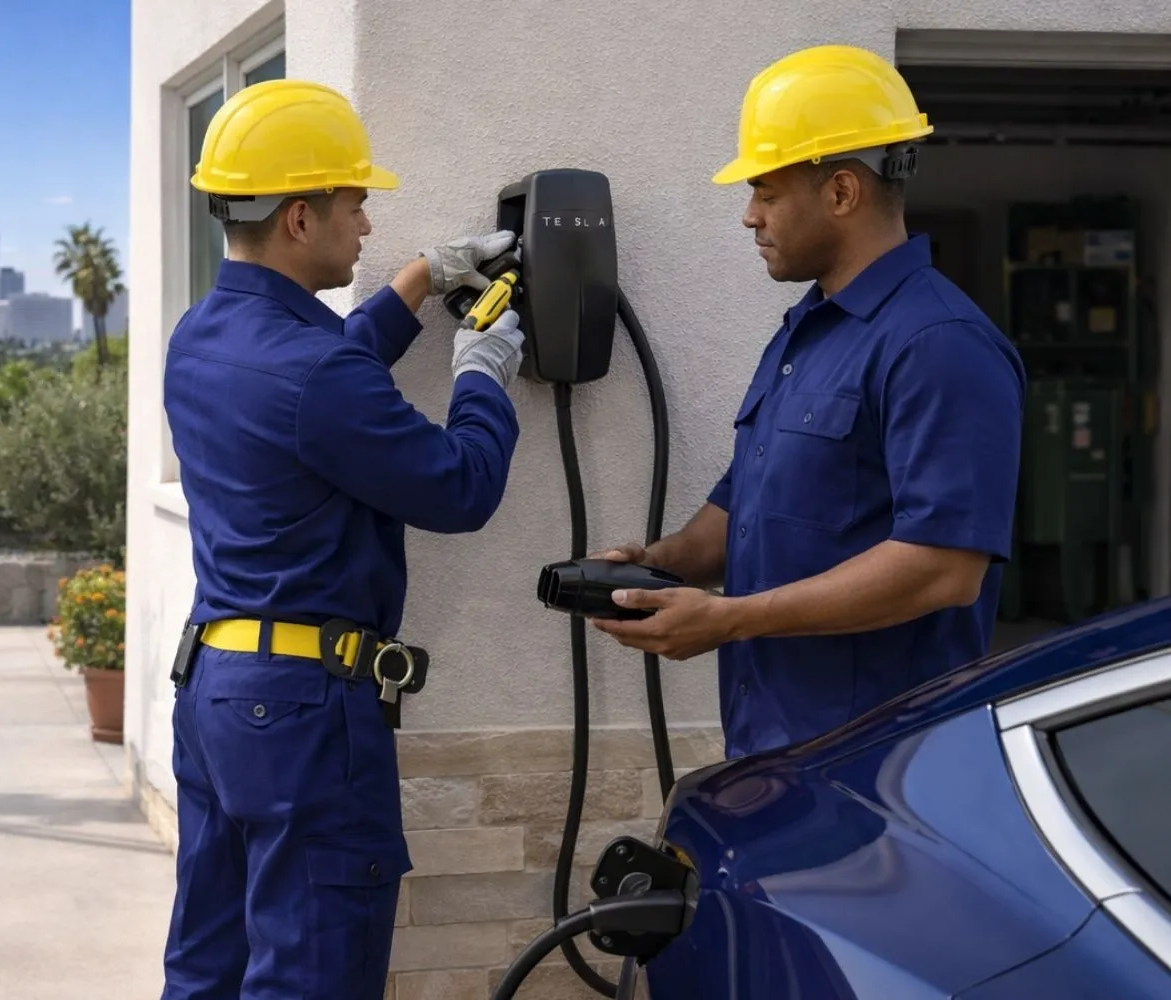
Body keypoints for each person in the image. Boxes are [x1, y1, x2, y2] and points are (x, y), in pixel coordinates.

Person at [159, 78, 526, 998]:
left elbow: (319, 392)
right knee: (309, 976)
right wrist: (481, 372)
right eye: (354, 203)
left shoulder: (199, 337)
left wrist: (418, 282)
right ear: (297, 217)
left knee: (209, 965)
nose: (364, 225)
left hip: (216, 690)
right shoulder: (316, 369)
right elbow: (458, 487)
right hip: (303, 717)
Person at [590, 44, 1027, 759]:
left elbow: (945, 568)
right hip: (774, 750)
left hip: (883, 767)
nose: (749, 216)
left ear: (842, 193)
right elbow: (744, 509)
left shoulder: (939, 345)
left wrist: (729, 620)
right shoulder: (811, 331)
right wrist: (656, 568)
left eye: (766, 190)